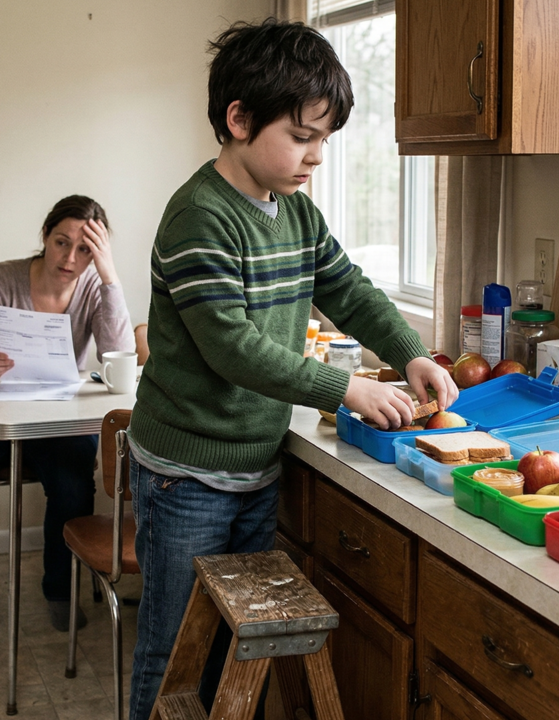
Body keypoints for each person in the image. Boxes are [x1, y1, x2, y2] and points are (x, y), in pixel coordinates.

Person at [125, 20, 459, 719]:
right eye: (302, 137)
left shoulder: (297, 215)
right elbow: (232, 348)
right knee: (174, 650)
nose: (317, 157)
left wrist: (410, 352)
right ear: (238, 119)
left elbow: (349, 291)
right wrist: (349, 387)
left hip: (256, 465)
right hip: (185, 474)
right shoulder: (198, 217)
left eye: (325, 141)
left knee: (233, 649)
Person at [0, 195, 135, 641]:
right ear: (45, 236)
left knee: (74, 489)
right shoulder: (4, 277)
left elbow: (121, 359)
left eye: (85, 250)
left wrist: (109, 274)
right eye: (62, 243)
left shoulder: (95, 286)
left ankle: (59, 591)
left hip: (57, 419)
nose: (70, 258)